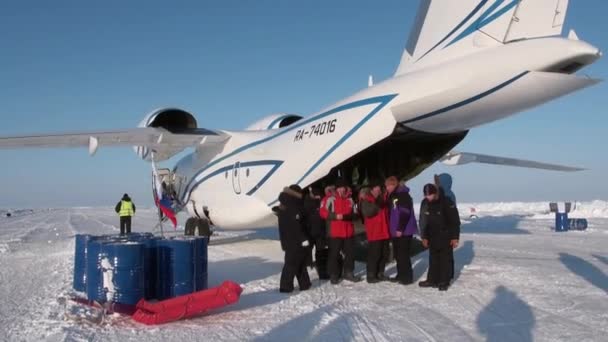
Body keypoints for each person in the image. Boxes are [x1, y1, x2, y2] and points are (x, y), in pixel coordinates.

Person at [418, 183, 460, 291]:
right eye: (426, 195)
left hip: (446, 236)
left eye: (430, 195)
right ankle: (432, 280)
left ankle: (443, 281)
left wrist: (455, 237)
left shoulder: (447, 202)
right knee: (433, 259)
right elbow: (425, 221)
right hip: (432, 236)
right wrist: (424, 236)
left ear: (435, 193)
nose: (428, 197)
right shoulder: (427, 203)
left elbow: (455, 221)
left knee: (445, 259)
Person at [321, 178, 360, 284]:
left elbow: (356, 213)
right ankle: (334, 274)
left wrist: (350, 216)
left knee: (350, 253)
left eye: (344, 187)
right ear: (336, 188)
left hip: (349, 231)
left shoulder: (350, 199)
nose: (342, 190)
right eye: (340, 188)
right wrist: (335, 216)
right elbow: (322, 212)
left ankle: (348, 272)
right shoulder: (329, 199)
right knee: (334, 254)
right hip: (335, 231)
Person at [276, 185, 312, 293]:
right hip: (295, 240)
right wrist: (303, 238)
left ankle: (304, 283)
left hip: (288, 239)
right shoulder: (293, 206)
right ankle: (285, 287)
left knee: (298, 262)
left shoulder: (284, 204)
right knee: (291, 264)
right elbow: (296, 225)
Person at [385, 176, 418, 285]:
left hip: (404, 230)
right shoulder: (393, 195)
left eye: (388, 186)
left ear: (394, 185)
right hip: (396, 230)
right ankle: (400, 274)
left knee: (403, 255)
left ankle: (407, 277)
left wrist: (400, 228)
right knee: (398, 254)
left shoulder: (402, 195)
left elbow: (405, 212)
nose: (387, 188)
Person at [359, 182, 390, 283]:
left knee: (384, 253)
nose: (378, 191)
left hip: (384, 230)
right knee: (374, 254)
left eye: (379, 189)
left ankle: (380, 273)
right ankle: (371, 275)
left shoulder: (382, 199)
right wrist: (378, 205)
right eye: (376, 190)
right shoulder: (366, 200)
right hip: (374, 232)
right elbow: (368, 213)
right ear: (371, 190)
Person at [434, 173, 461, 281]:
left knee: (446, 255)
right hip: (444, 229)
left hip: (446, 230)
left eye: (438, 182)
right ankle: (446, 274)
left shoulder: (447, 195)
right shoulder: (448, 193)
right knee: (445, 255)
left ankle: (447, 275)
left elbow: (451, 215)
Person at [304, 186, 330, 280]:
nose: (317, 197)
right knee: (308, 250)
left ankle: (322, 269)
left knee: (320, 252)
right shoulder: (307, 201)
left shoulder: (321, 201)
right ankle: (308, 265)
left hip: (320, 231)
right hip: (310, 232)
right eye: (315, 195)